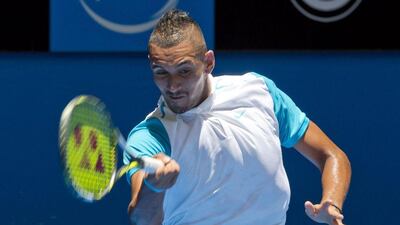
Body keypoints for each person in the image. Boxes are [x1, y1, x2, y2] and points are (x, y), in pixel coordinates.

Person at [123, 9, 351, 225]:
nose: (173, 86)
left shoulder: (258, 92)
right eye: (161, 72)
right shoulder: (150, 136)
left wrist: (331, 203)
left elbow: (332, 155)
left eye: (184, 71)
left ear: (208, 63)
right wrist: (153, 187)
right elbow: (143, 219)